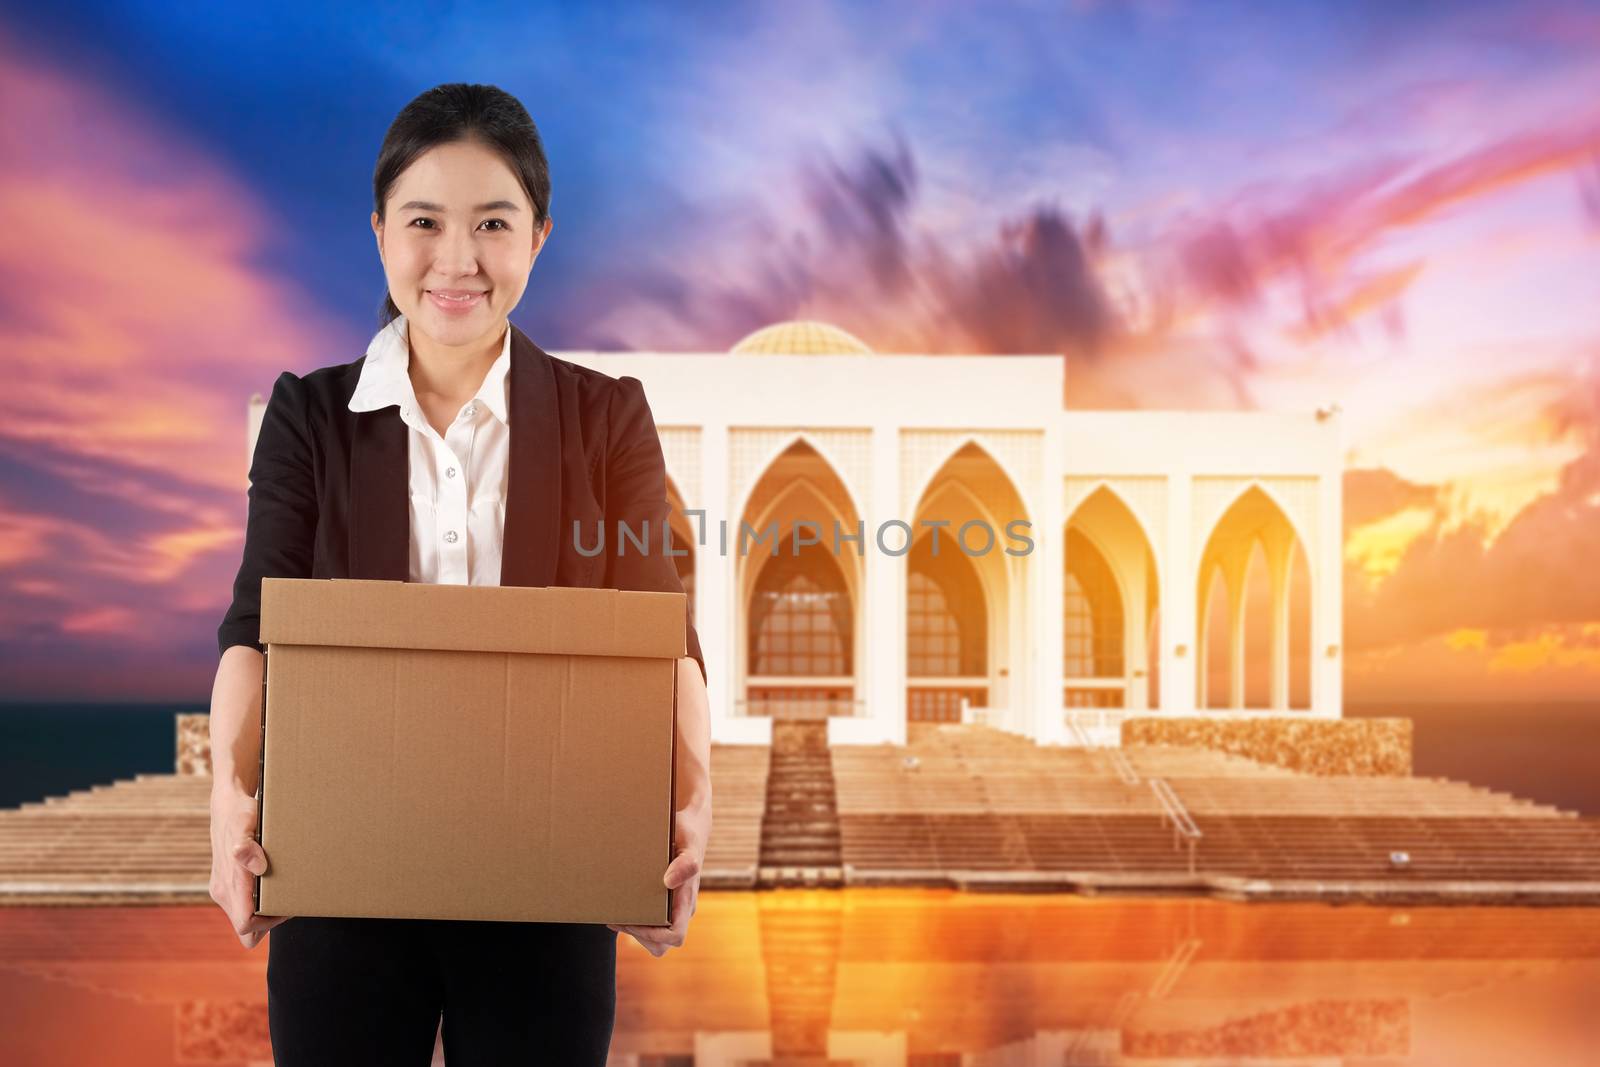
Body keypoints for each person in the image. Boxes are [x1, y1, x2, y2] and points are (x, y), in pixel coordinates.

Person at [206, 82, 712, 1066]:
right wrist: (231, 798)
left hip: (551, 874)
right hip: (341, 874)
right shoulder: (310, 417)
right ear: (379, 231)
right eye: (424, 222)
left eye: (493, 223)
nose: (457, 259)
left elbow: (664, 633)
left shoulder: (608, 419)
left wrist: (691, 806)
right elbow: (256, 625)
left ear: (539, 236)